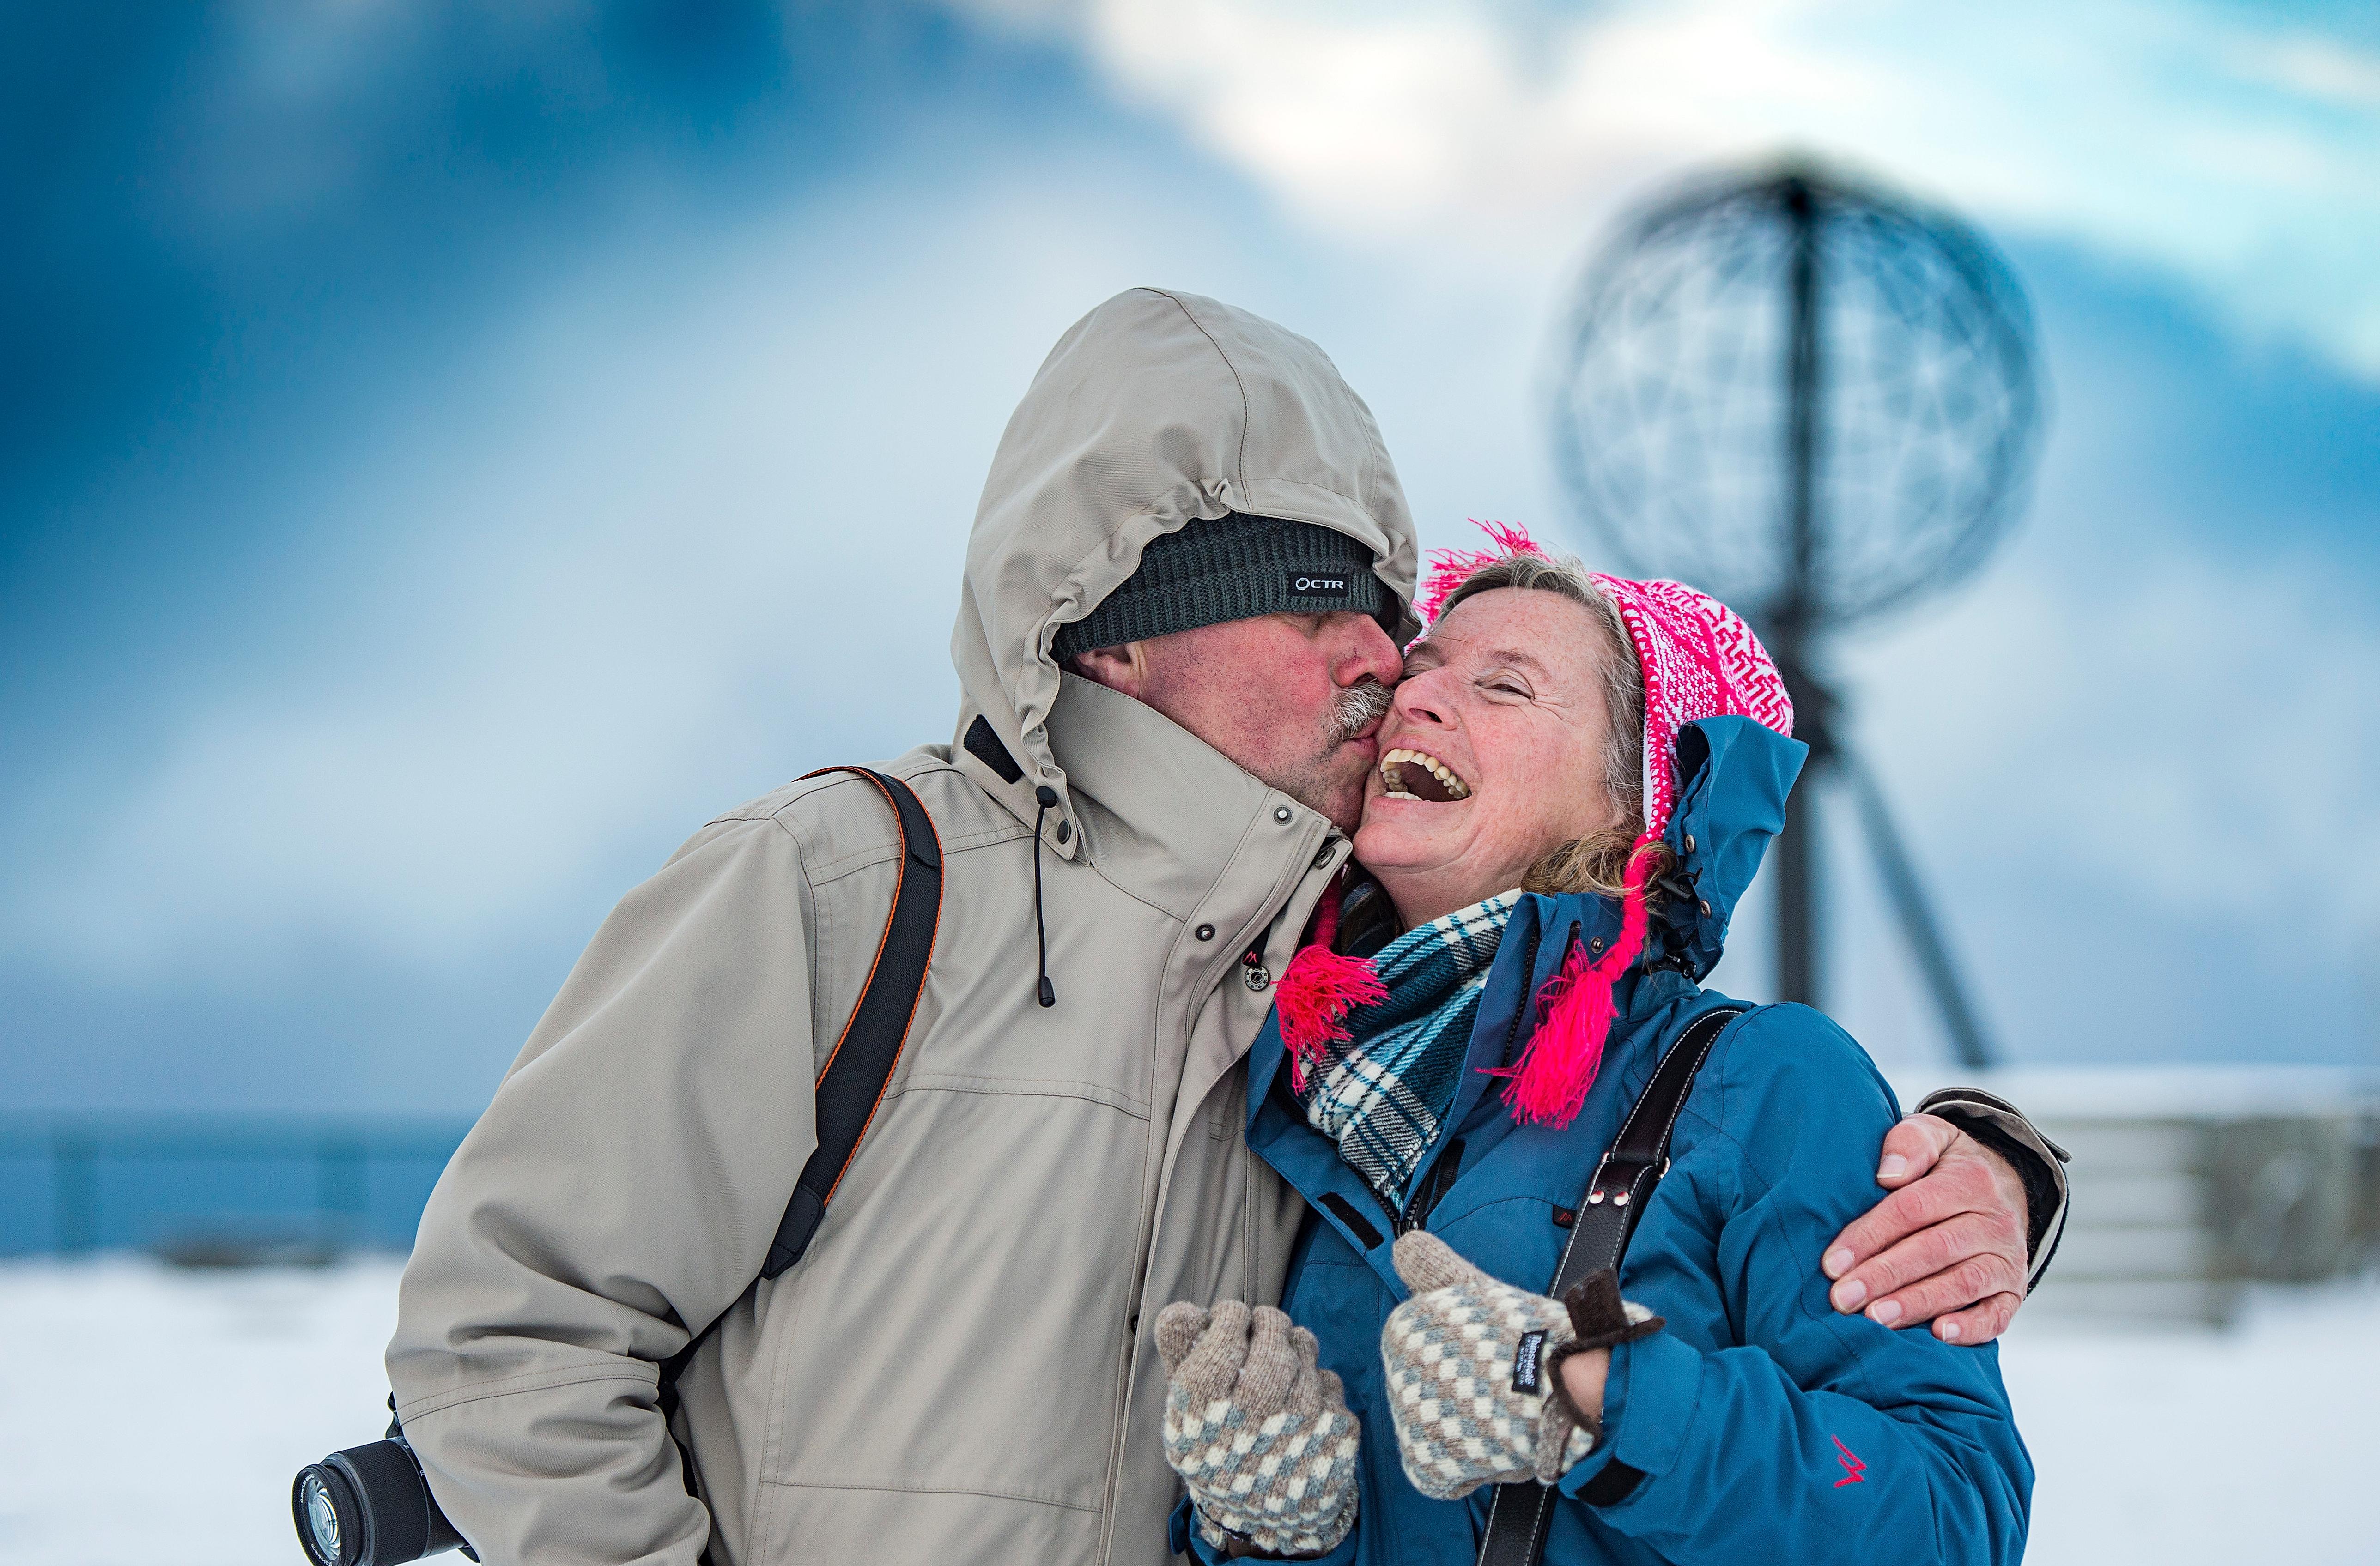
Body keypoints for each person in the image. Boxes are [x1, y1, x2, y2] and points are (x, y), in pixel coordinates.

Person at [387, 290, 2060, 1566]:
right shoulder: (890, 899)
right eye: (1329, 606)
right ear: (1115, 629)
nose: (1387, 664)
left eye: (1475, 664)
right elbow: (513, 1327)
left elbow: (1929, 1483)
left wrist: (1981, 1180)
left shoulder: (1417, 1027)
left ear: (1632, 807)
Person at [1154, 536, 2028, 1565]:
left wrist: (1595, 1396)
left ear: (1635, 811)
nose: (1417, 701)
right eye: (1423, 669)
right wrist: (1274, 1533)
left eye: (1505, 687)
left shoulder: (1763, 1080)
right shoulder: (1295, 1103)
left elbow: (1948, 1518)